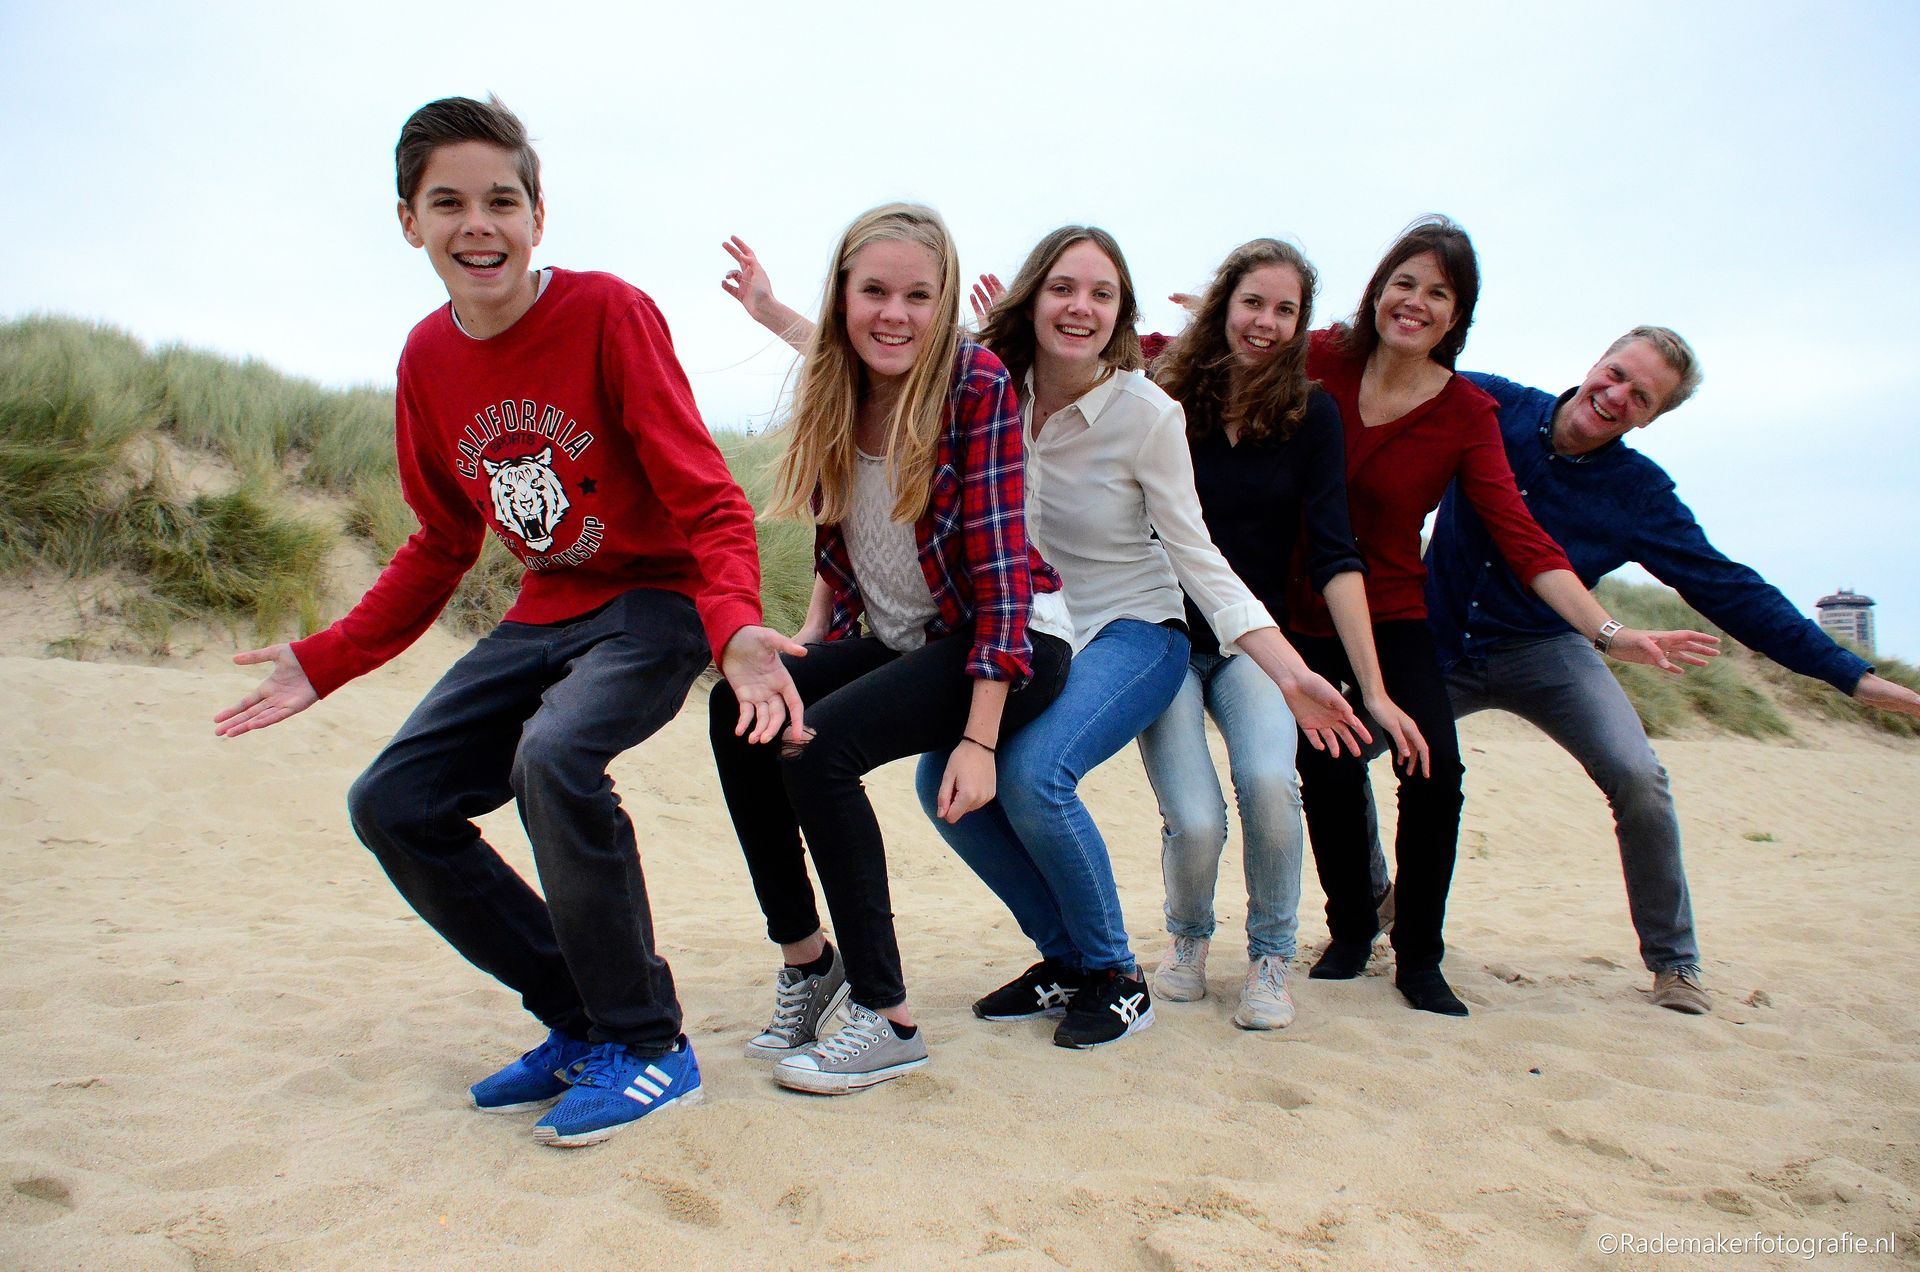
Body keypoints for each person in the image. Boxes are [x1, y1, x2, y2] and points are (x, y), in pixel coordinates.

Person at [213, 98, 806, 1148]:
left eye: (501, 200)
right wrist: (326, 659)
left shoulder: (607, 313)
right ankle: (582, 1020)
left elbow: (708, 496)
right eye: (448, 203)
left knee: (556, 758)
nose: (477, 224)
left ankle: (650, 1043)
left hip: (655, 603)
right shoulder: (425, 360)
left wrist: (732, 627)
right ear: (410, 223)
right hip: (546, 611)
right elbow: (441, 541)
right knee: (395, 803)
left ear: (538, 216)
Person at [727, 227, 1368, 1050]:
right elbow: (880, 349)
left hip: (1135, 627)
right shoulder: (991, 383)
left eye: (1102, 294)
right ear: (1033, 298)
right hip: (1026, 626)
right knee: (944, 786)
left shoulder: (1146, 413)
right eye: (1064, 288)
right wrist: (771, 311)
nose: (1081, 308)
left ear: (1121, 314)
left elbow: (1197, 557)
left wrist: (1285, 669)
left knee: (1032, 774)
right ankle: (1066, 958)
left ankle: (1116, 973)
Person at [1417, 326, 1920, 1013]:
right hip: (1436, 640)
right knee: (1339, 748)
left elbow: (1729, 588)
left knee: (1639, 777)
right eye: (1617, 373)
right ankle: (1382, 897)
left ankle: (1675, 963)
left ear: (1650, 419)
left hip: (1548, 647)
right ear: (1597, 361)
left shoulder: (1638, 493)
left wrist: (1852, 677)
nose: (1617, 395)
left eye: (1642, 397)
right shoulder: (1491, 404)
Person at [1288, 216, 1718, 1017]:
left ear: (1458, 315)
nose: (1416, 302)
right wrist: (1205, 320)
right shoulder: (1324, 357)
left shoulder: (1468, 410)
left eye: (1439, 293)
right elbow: (1222, 356)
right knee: (1323, 759)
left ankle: (1420, 958)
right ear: (1378, 289)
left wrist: (1611, 633)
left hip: (1403, 609)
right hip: (1303, 601)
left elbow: (1525, 540)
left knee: (1435, 772)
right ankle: (1354, 927)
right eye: (1405, 283)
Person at [708, 205, 1072, 1094]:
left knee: (820, 747)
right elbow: (842, 533)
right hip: (908, 639)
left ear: (945, 303)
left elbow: (1002, 579)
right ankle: (809, 963)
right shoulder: (838, 383)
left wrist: (980, 740)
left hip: (1013, 644)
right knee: (740, 706)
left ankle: (887, 1017)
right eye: (874, 291)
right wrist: (808, 642)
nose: (895, 314)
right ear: (843, 295)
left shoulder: (976, 384)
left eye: (919, 295)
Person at [1132, 239, 1428, 1031]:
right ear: (1224, 304)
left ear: (1301, 325)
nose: (1265, 322)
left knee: (1270, 783)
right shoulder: (1164, 395)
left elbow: (1335, 552)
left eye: (1285, 310)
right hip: (1162, 637)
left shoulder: (1310, 413)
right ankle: (1189, 941)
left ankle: (1269, 957)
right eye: (1253, 302)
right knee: (1196, 818)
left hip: (1254, 643)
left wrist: (1374, 690)